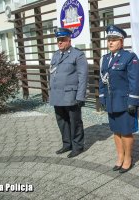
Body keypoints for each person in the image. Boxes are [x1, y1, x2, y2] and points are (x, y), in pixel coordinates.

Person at [99, 25, 139, 173]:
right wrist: (102, 97)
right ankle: (120, 156)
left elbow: (134, 82)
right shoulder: (105, 59)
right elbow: (102, 80)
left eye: (114, 40)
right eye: (109, 40)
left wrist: (133, 102)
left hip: (124, 102)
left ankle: (128, 158)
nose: (110, 42)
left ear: (121, 42)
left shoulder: (129, 57)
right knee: (116, 131)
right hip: (111, 102)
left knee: (126, 131)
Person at [49, 27, 88, 158]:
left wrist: (81, 96)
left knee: (75, 121)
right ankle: (67, 144)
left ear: (69, 40)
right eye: (58, 40)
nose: (59, 42)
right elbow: (53, 73)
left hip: (71, 95)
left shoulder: (78, 55)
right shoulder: (55, 55)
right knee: (62, 121)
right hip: (57, 95)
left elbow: (83, 77)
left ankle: (78, 146)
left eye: (62, 40)